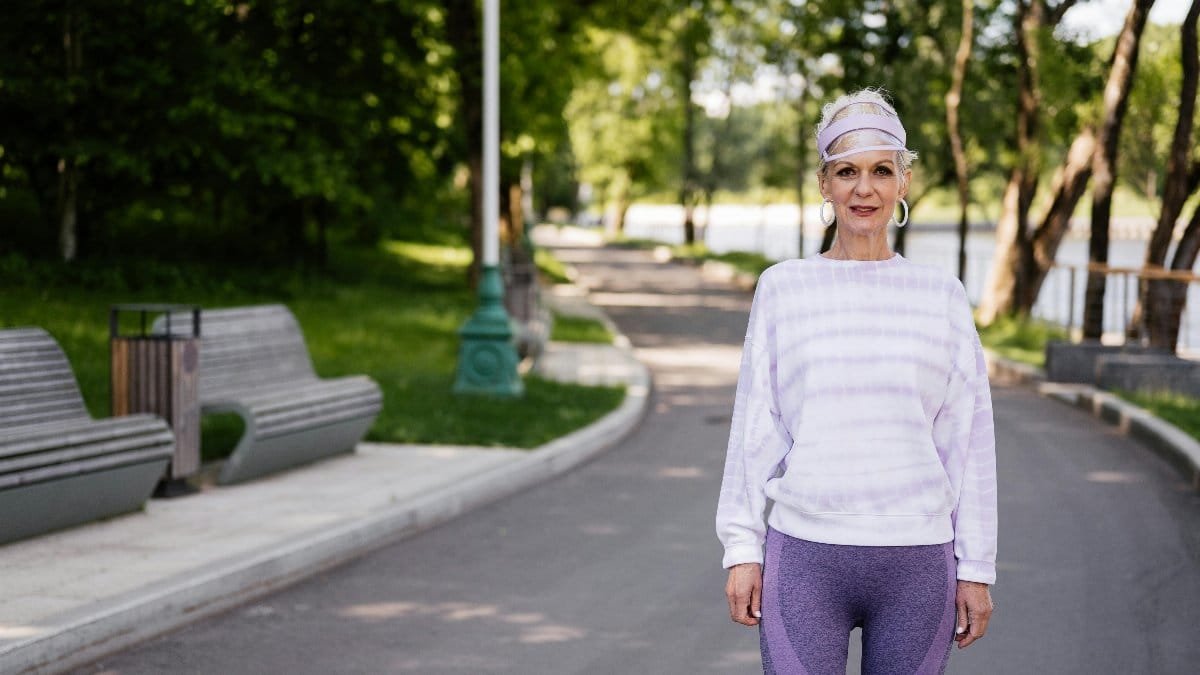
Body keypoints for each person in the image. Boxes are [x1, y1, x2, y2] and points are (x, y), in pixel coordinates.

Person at [715, 88, 997, 675]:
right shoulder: (783, 288)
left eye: (880, 171)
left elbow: (968, 442)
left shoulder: (940, 295)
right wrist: (742, 549)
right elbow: (755, 424)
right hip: (804, 558)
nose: (863, 189)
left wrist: (976, 567)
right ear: (824, 184)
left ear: (903, 183)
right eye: (846, 171)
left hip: (917, 563)